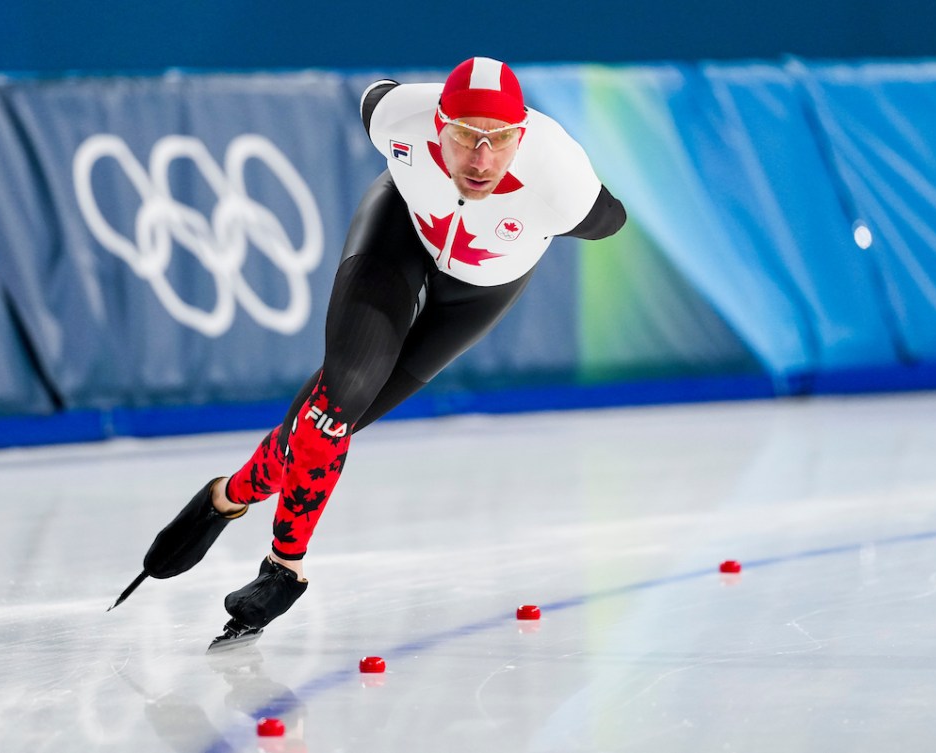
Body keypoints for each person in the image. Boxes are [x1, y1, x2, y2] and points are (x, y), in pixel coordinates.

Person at [124, 56, 627, 650]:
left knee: (330, 423)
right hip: (400, 232)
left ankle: (227, 496)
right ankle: (285, 567)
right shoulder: (398, 118)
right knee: (342, 394)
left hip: (481, 288)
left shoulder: (562, 181)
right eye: (465, 136)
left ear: (523, 137)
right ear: (437, 123)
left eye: (499, 142)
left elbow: (609, 220)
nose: (480, 160)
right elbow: (375, 94)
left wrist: (539, 215)